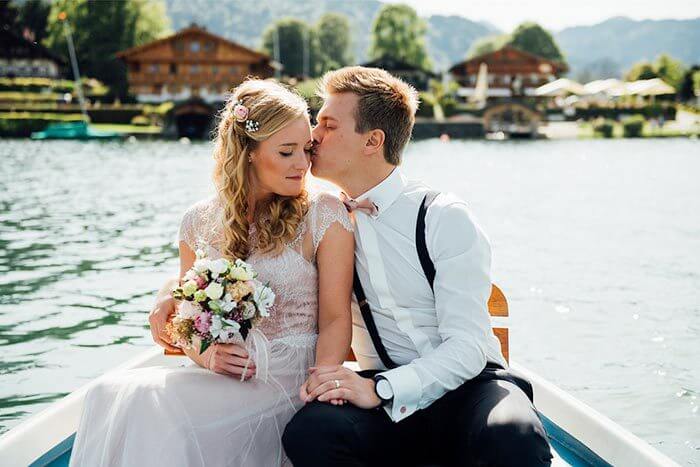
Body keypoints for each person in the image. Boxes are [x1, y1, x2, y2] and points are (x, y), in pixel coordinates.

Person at [69, 78, 355, 467]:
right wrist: (207, 356)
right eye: (287, 152)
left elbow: (337, 318)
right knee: (106, 392)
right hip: (224, 375)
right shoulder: (197, 222)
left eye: (305, 150)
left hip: (290, 378)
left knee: (155, 408)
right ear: (248, 152)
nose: (303, 164)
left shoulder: (323, 214)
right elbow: (190, 324)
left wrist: (322, 381)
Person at [281, 67, 554, 466]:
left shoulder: (444, 216)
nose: (313, 136)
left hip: (470, 387)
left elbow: (468, 347)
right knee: (311, 432)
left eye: (328, 124)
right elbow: (256, 259)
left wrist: (383, 389)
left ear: (373, 141)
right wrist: (172, 296)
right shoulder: (323, 220)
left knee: (513, 435)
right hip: (384, 403)